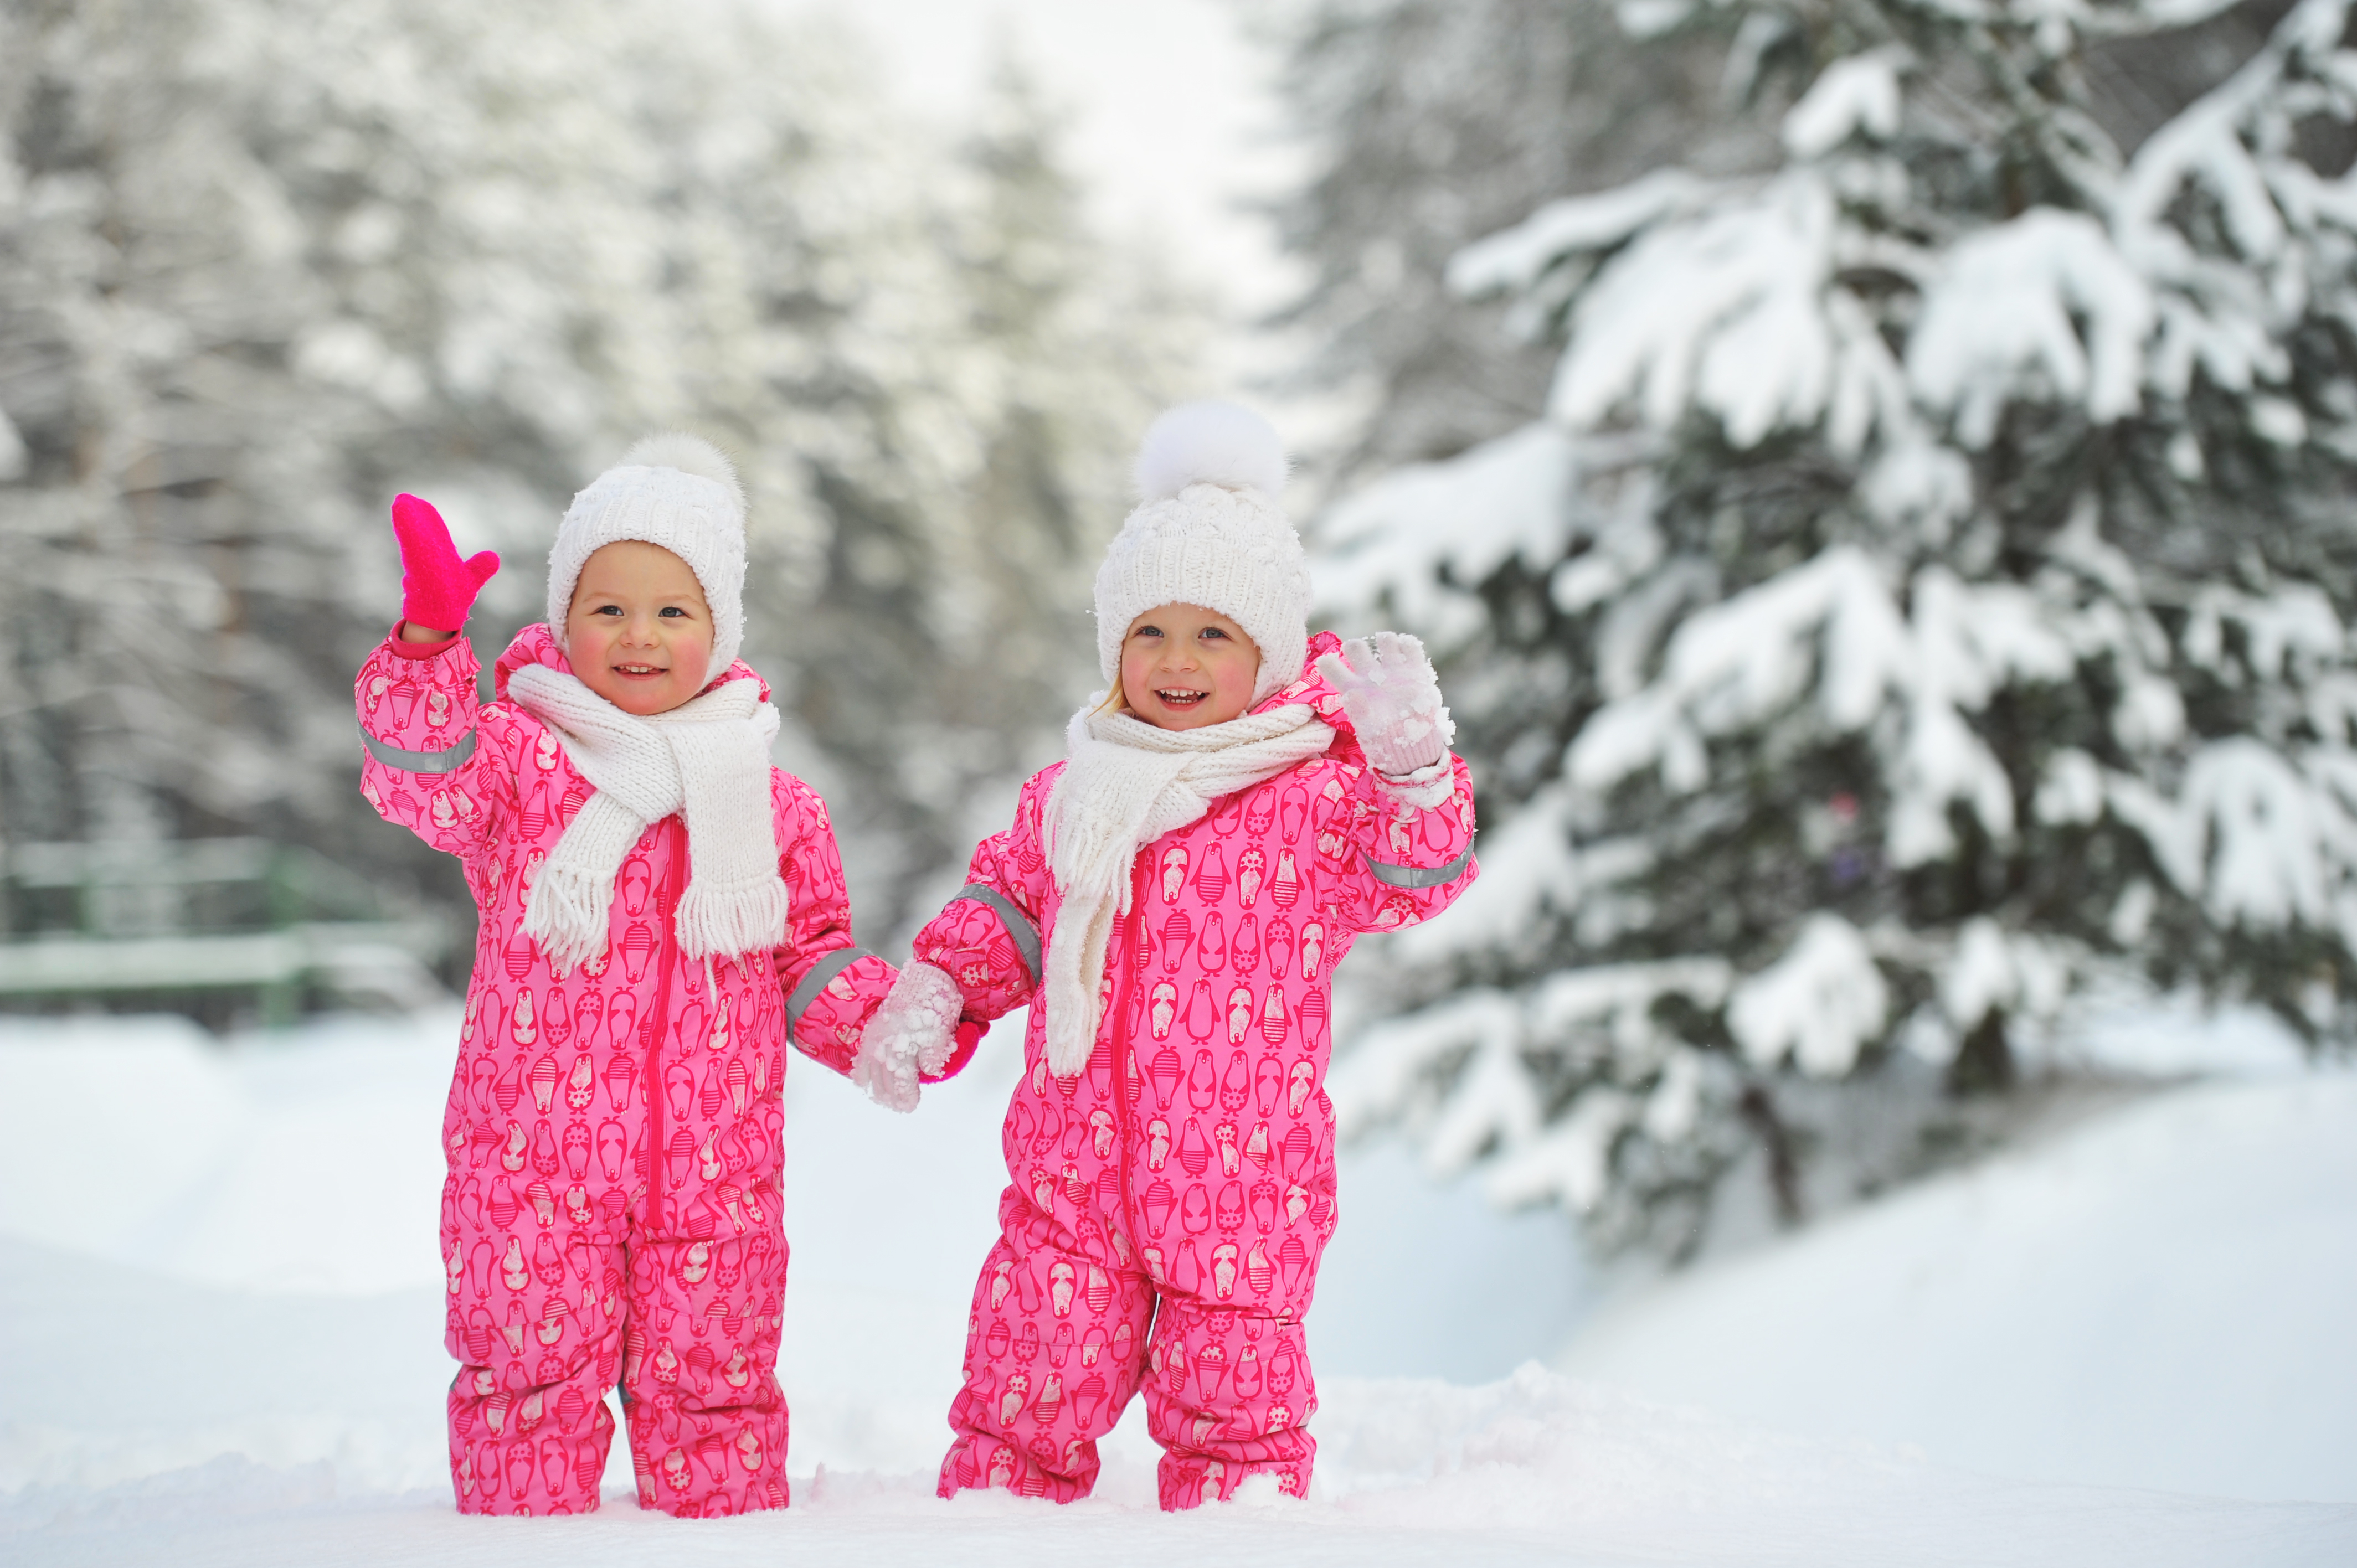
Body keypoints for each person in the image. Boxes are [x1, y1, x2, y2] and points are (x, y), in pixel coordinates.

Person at [853, 401, 1479, 1509]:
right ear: (1113, 648)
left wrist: (1412, 776)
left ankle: (1236, 1531)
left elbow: (1413, 877)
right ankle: (991, 1533)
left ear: (1267, 652)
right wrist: (937, 991)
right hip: (1069, 1181)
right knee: (1020, 1395)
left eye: (1212, 635)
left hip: (1243, 1192)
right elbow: (1005, 907)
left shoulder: (1315, 800)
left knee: (1237, 1426)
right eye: (1150, 632)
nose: (1176, 662)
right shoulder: (1076, 789)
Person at [356, 436, 939, 1517]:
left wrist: (882, 1022)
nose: (638, 634)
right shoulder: (520, 763)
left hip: (715, 1173)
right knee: (526, 1379)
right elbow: (417, 781)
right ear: (565, 621)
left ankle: (721, 1537)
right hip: (531, 1163)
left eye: (673, 611)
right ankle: (517, 1541)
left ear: (719, 630)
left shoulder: (771, 799)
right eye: (608, 607)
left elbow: (805, 953)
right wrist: (429, 648)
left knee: (714, 1390)